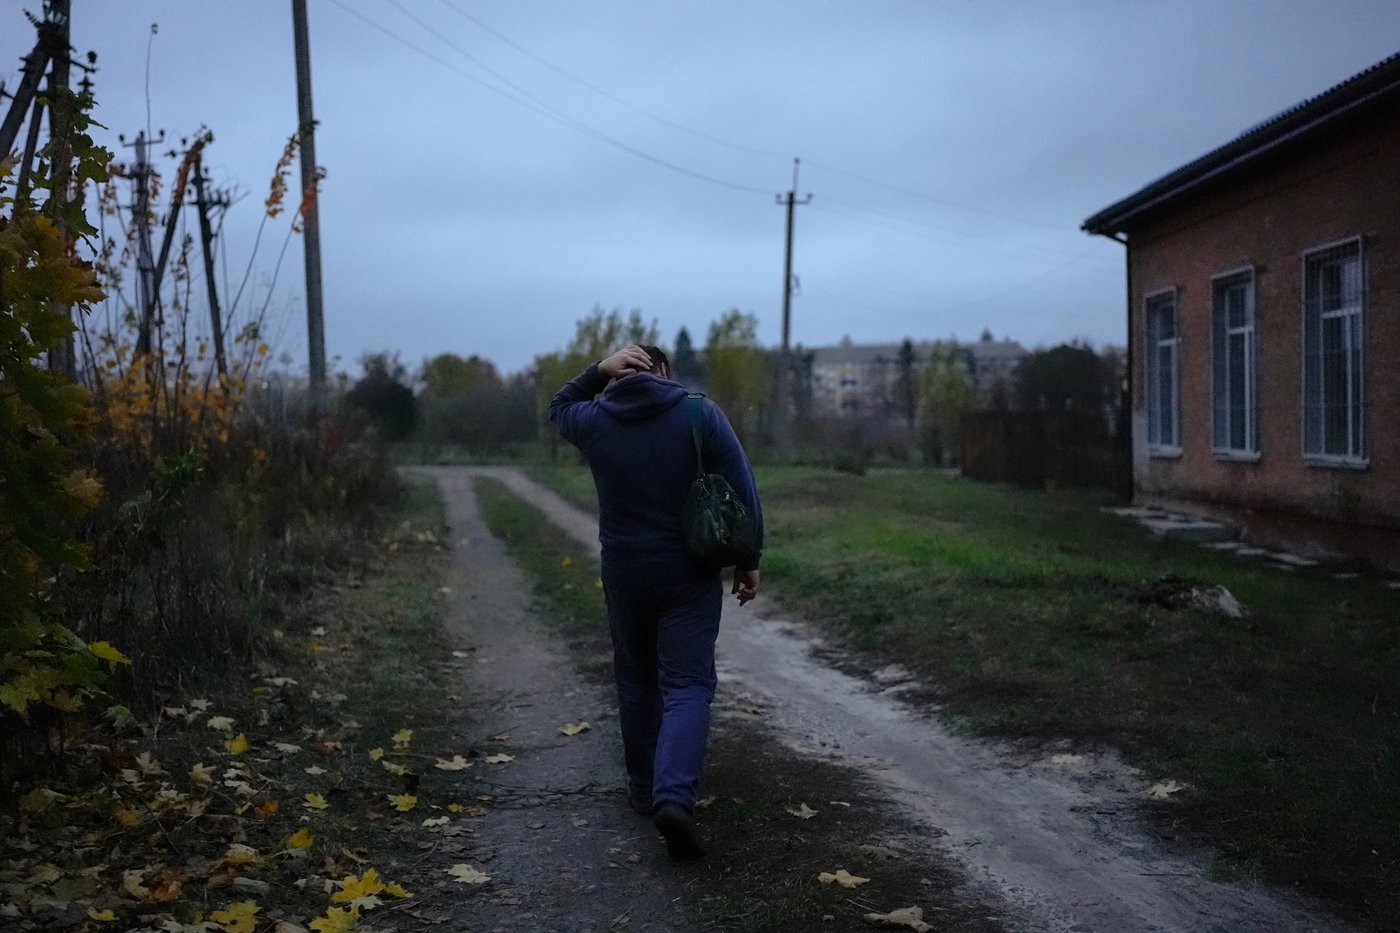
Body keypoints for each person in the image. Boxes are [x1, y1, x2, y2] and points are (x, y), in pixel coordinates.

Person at [549, 344, 763, 859]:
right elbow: (742, 486)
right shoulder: (697, 412)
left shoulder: (594, 419)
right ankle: (674, 796)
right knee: (688, 682)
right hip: (687, 570)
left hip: (623, 569)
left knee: (636, 676)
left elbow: (557, 408)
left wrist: (594, 371)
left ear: (619, 373)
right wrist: (748, 558)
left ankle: (644, 790)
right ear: (665, 372)